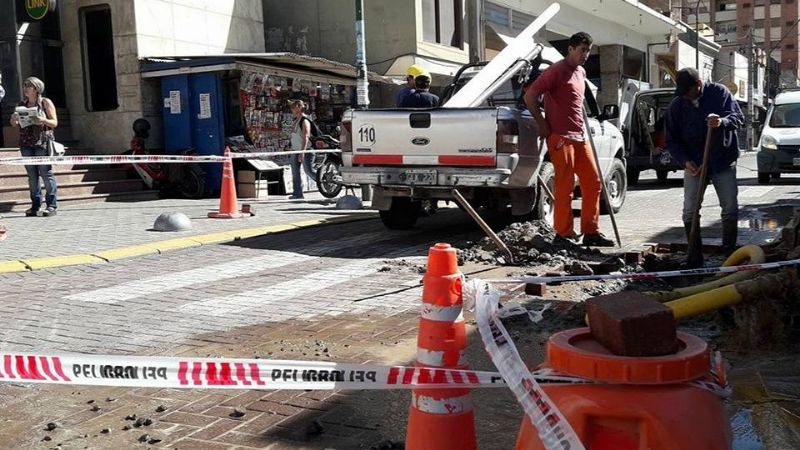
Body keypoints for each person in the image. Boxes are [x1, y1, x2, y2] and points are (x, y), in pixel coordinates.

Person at [523, 32, 614, 247]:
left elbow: (576, 101)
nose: (585, 55)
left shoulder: (581, 72)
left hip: (580, 136)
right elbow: (530, 96)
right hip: (560, 137)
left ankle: (591, 231)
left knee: (593, 182)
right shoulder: (556, 70)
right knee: (565, 186)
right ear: (571, 49)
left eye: (588, 50)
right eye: (582, 50)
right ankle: (564, 234)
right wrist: (542, 123)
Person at [666, 67, 744, 266]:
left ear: (698, 85)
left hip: (722, 161)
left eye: (688, 91)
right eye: (681, 92)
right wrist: (685, 162)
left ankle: (729, 255)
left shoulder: (719, 93)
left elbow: (738, 118)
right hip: (695, 164)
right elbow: (672, 140)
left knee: (729, 208)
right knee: (689, 211)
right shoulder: (677, 105)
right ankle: (694, 257)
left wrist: (722, 121)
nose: (685, 96)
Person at [9, 76, 59, 217]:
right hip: (25, 143)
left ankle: (51, 205)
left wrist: (42, 120)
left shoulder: (45, 102)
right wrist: (14, 120)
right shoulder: (21, 104)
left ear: (36, 89)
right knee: (32, 176)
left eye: (28, 86)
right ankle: (35, 205)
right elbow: (16, 125)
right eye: (24, 85)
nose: (25, 88)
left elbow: (54, 122)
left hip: (41, 142)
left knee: (46, 174)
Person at [287, 99, 315, 200]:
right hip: (295, 149)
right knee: (295, 172)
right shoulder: (295, 120)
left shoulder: (304, 120)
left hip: (305, 150)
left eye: (293, 107)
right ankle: (297, 193)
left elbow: (306, 136)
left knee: (309, 171)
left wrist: (303, 152)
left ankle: (323, 183)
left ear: (298, 107)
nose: (291, 110)